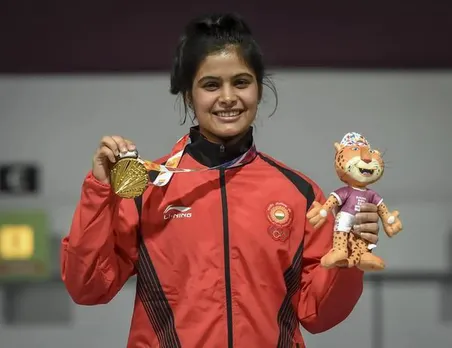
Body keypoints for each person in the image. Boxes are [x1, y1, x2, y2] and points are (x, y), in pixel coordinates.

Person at [60, 12, 380, 348]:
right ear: (189, 96)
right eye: (211, 85)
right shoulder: (149, 190)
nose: (228, 97)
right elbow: (88, 288)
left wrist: (351, 255)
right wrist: (99, 191)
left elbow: (319, 314)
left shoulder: (298, 193)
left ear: (258, 89)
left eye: (241, 82)